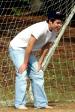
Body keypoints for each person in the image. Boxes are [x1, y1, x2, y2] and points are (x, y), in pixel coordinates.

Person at [9, 11, 63, 110]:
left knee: (38, 73)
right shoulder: (41, 28)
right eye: (57, 23)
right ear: (50, 21)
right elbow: (30, 45)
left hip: (28, 51)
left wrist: (40, 62)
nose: (59, 25)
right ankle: (19, 104)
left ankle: (41, 103)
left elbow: (47, 46)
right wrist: (24, 64)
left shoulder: (55, 30)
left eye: (60, 23)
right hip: (17, 48)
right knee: (22, 73)